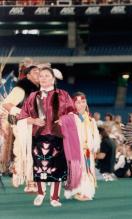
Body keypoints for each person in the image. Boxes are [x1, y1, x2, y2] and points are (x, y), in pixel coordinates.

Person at [17, 67, 75, 207]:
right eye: (41, 76)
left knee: (57, 168)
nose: (43, 78)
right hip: (38, 136)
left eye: (47, 76)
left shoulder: (63, 95)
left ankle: (55, 197)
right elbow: (22, 116)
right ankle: (41, 193)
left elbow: (72, 113)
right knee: (39, 167)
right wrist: (34, 121)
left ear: (53, 79)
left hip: (57, 136)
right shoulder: (32, 96)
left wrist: (64, 120)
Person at [2, 59, 42, 192]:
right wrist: (24, 116)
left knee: (35, 153)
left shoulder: (42, 90)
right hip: (23, 126)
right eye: (34, 71)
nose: (38, 73)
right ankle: (30, 181)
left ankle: (22, 173)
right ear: (28, 75)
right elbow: (7, 104)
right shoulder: (21, 88)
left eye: (39, 71)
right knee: (26, 152)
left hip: (38, 126)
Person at [64, 92, 100, 201]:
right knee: (77, 170)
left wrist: (94, 146)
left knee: (88, 170)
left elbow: (95, 136)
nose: (81, 105)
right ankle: (77, 191)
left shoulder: (90, 120)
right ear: (73, 104)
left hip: (87, 151)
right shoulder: (70, 118)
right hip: (75, 151)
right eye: (78, 102)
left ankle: (86, 191)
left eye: (83, 102)